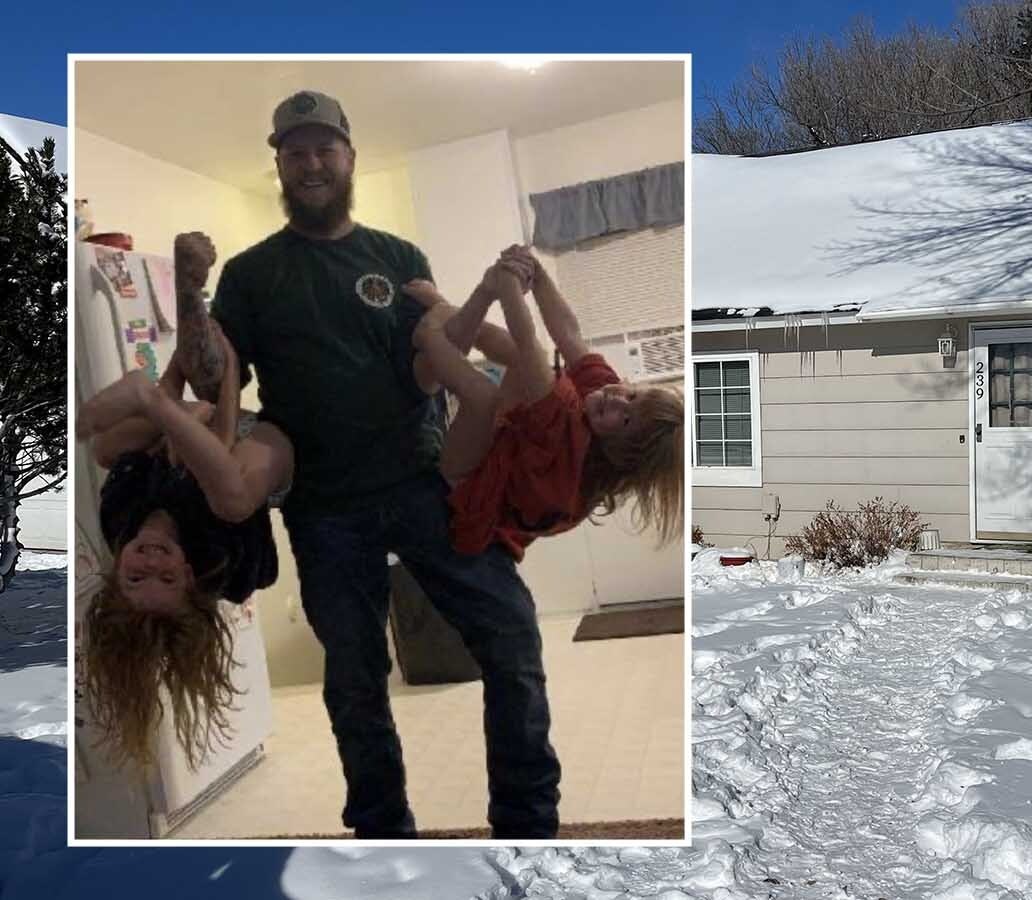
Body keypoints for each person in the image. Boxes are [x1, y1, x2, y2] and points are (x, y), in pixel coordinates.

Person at [206, 89, 560, 838]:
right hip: (324, 505)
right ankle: (382, 834)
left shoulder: (397, 258)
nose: (310, 164)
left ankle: (529, 824)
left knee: (512, 635)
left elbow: (436, 350)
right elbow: (223, 383)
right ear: (278, 162)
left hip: (424, 484)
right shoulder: (249, 274)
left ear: (349, 157)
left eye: (323, 149)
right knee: (355, 680)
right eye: (295, 151)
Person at [77, 233, 293, 771]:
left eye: (134, 576)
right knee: (232, 492)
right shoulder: (223, 560)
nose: (150, 562)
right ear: (191, 579)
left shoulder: (118, 521)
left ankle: (153, 381)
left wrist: (172, 372)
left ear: (115, 575)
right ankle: (145, 390)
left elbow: (165, 436)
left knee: (106, 447)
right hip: (265, 457)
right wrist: (230, 374)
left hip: (192, 449)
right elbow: (222, 444)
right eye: (166, 578)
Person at [403, 247, 683, 560]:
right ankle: (445, 314)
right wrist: (535, 272)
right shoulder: (604, 395)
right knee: (523, 364)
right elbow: (569, 333)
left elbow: (527, 339)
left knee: (484, 396)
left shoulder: (568, 440)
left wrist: (507, 281)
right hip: (509, 452)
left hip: (466, 490)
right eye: (632, 394)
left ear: (618, 451)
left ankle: (429, 333)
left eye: (626, 419)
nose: (617, 399)